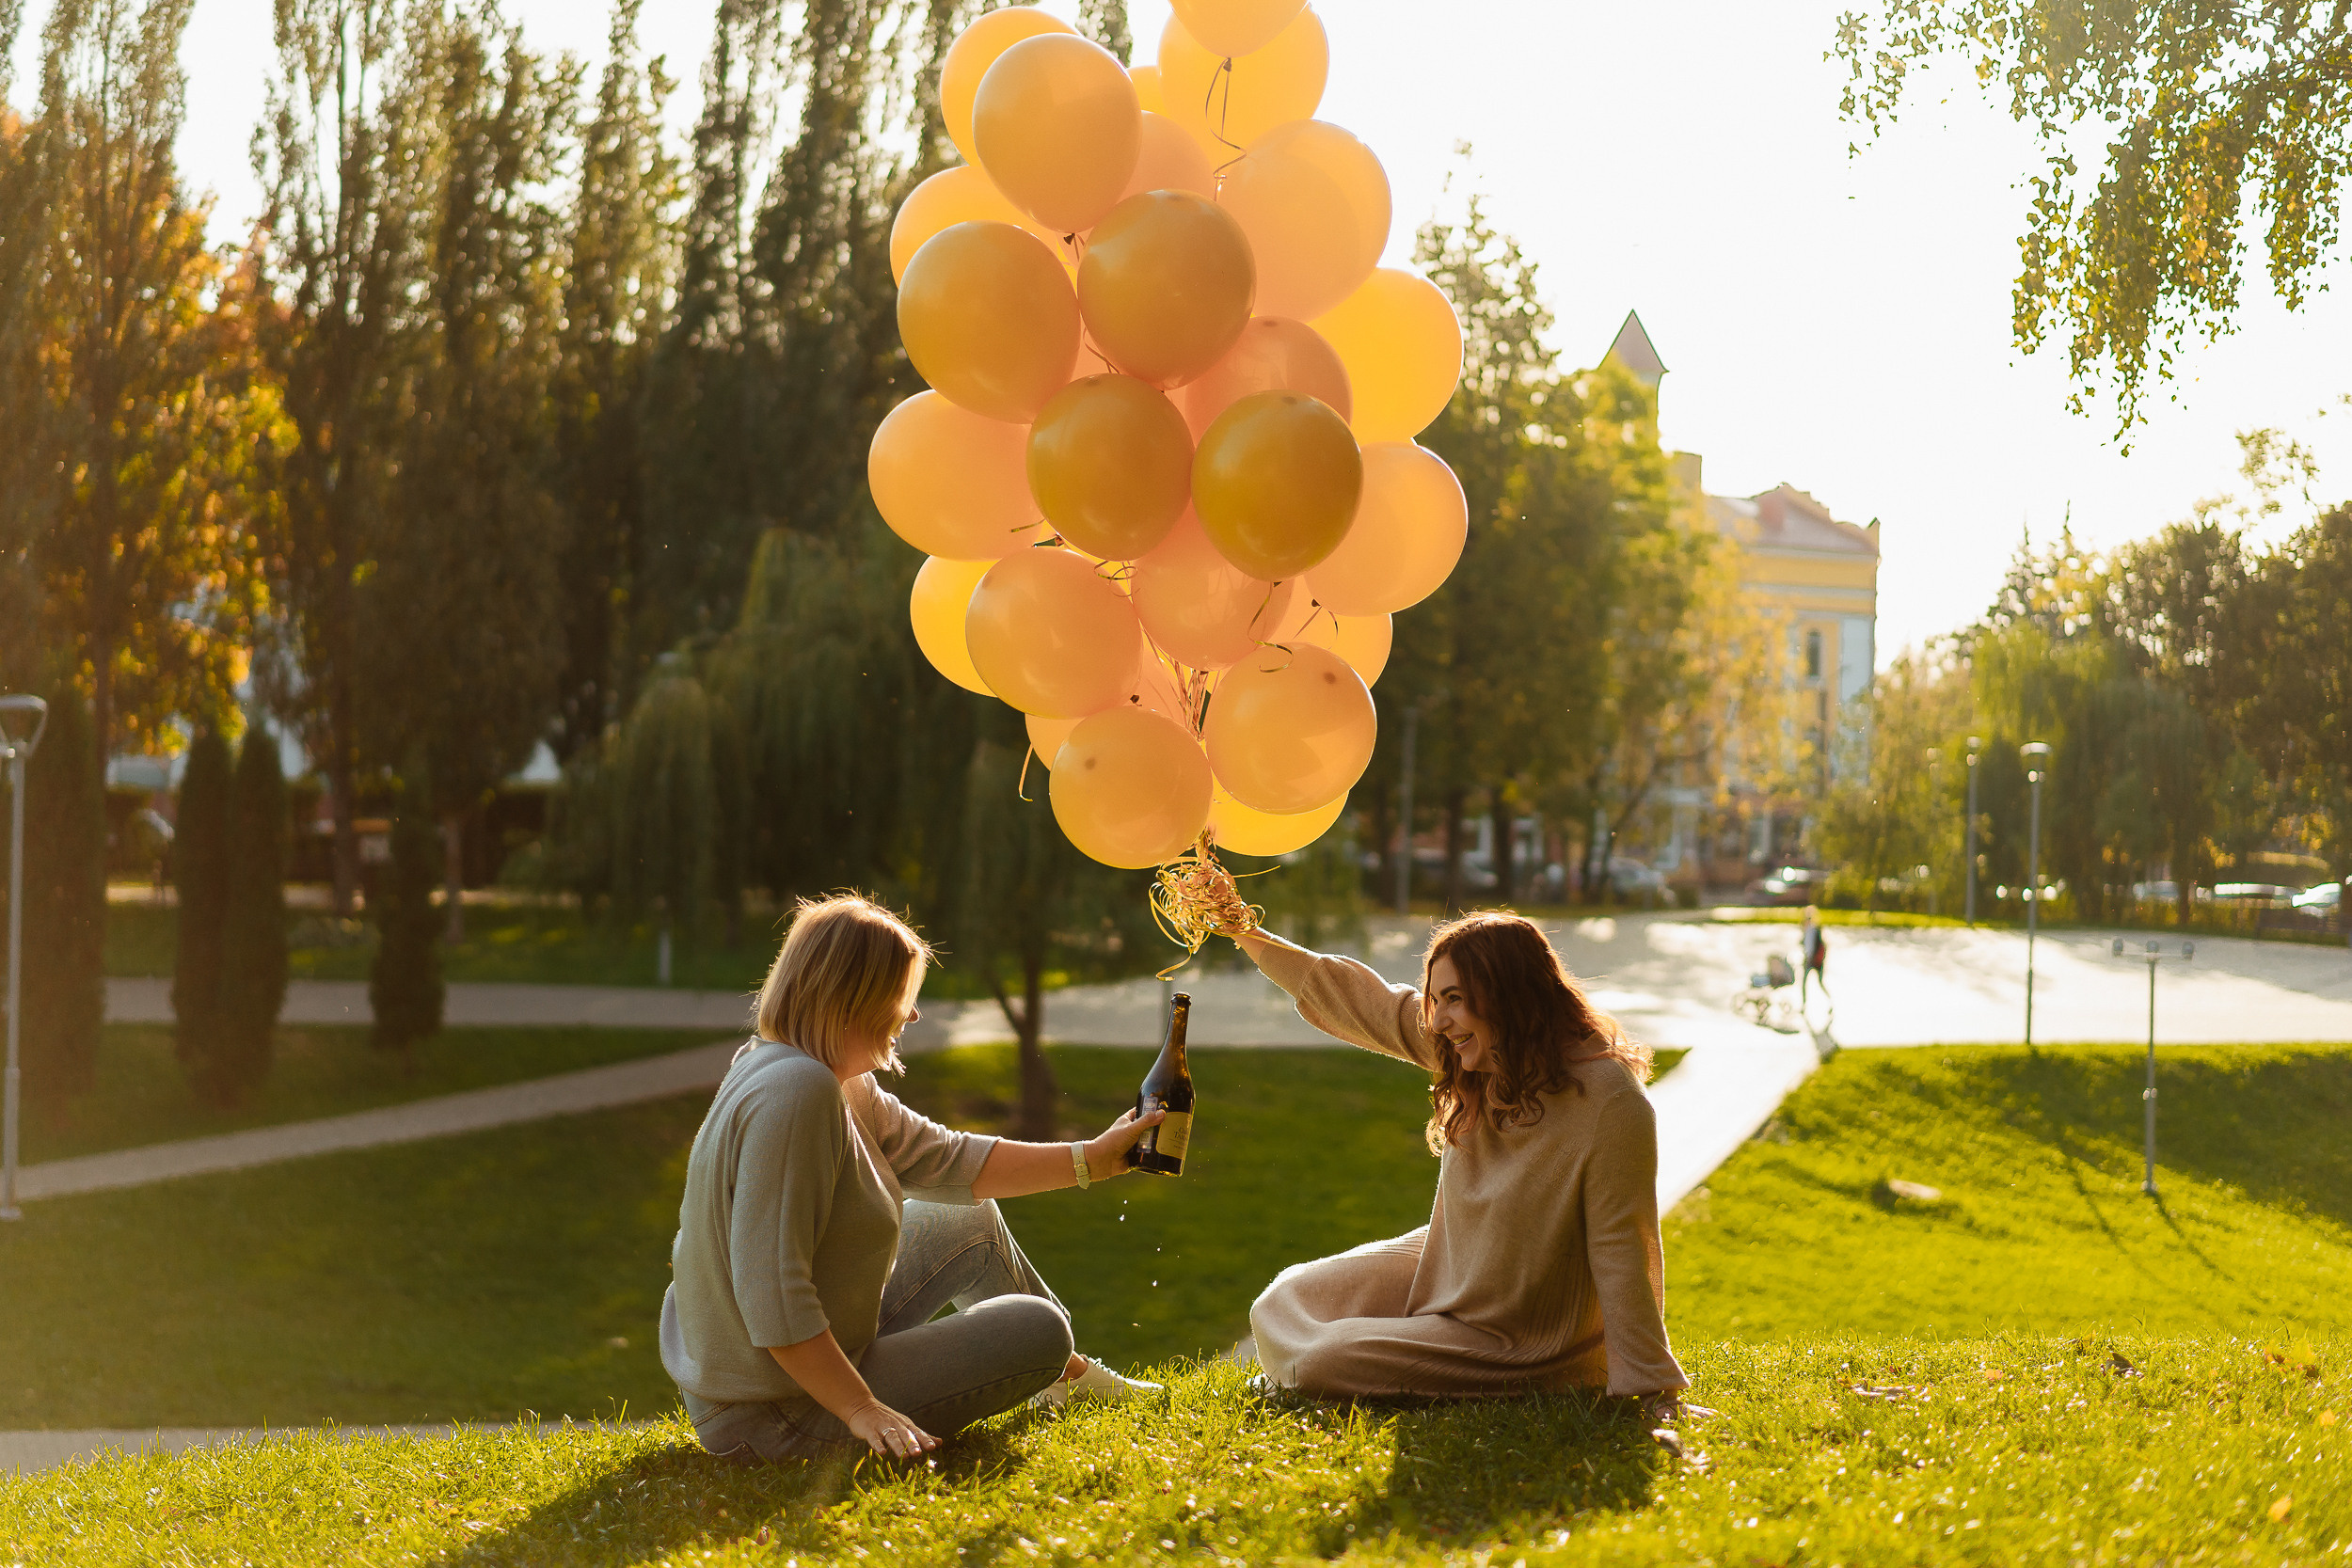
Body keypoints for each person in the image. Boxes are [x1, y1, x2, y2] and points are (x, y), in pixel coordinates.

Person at [663, 894, 1166, 1466]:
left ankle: (1072, 1379)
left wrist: (1092, 1159)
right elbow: (773, 1299)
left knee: (967, 1218)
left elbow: (944, 1158)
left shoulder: (808, 1070)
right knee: (1040, 1330)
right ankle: (1055, 1363)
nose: (913, 1014)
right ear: (855, 1001)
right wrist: (861, 1409)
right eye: (902, 996)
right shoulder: (796, 1094)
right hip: (773, 1411)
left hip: (783, 1371)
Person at [1214, 901, 1696, 1422]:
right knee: (1280, 1303)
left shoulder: (1608, 1101)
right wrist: (1241, 927)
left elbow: (1621, 1243)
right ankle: (1390, 1341)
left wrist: (1651, 1389)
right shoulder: (1472, 1051)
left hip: (1522, 1335)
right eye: (1435, 999)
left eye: (1456, 1000)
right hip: (1452, 1258)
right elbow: (1356, 998)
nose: (1439, 1021)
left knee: (1324, 1361)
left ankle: (1542, 1371)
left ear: (1508, 997)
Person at [1800, 905, 1829, 1014]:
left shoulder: (1815, 930)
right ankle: (1804, 1004)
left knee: (1820, 983)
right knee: (1803, 983)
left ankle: (1829, 1001)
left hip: (1815, 961)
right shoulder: (1805, 930)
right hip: (1808, 960)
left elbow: (1819, 946)